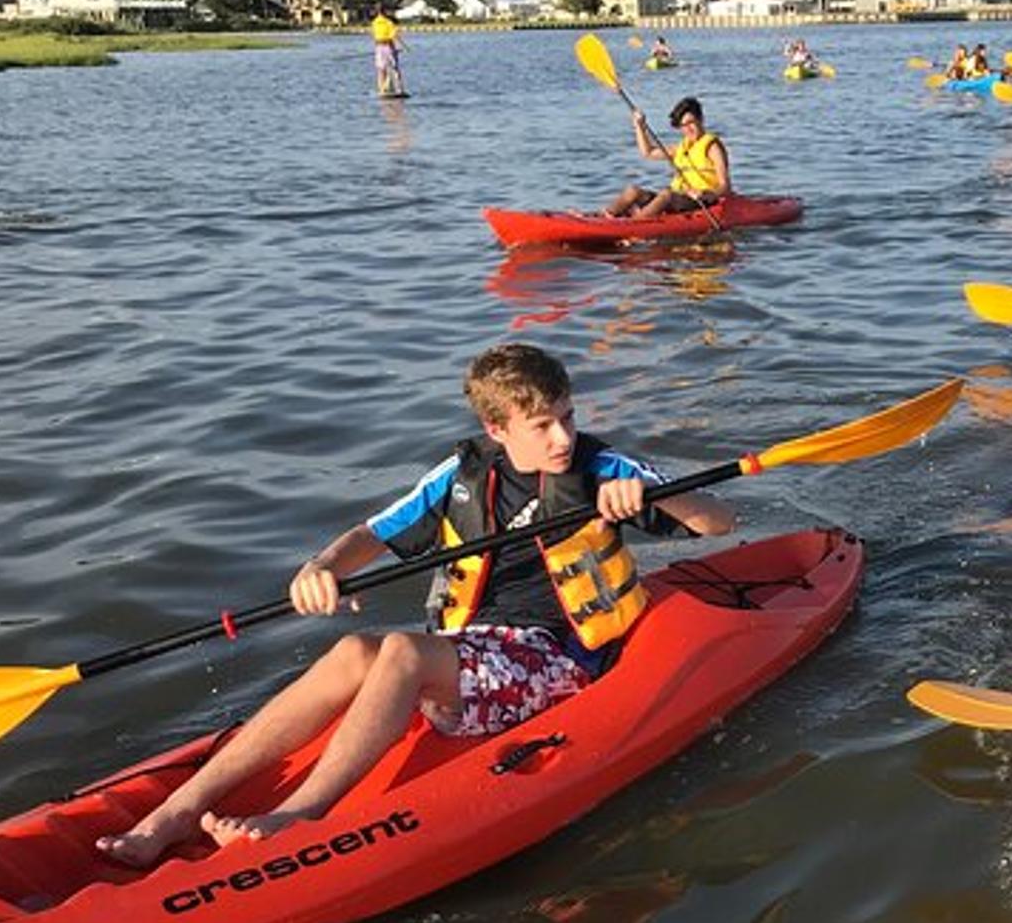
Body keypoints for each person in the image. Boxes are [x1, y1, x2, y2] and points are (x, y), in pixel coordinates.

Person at [95, 344, 736, 866]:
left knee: (399, 648)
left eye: (566, 416)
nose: (562, 436)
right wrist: (320, 569)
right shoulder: (459, 476)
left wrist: (654, 495)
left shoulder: (603, 466)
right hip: (475, 646)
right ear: (496, 429)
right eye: (542, 425)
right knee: (352, 650)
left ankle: (299, 815)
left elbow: (718, 523)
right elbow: (371, 534)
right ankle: (177, 810)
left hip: (559, 659)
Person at [604, 96, 730, 219]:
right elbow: (648, 152)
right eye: (683, 125)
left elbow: (725, 186)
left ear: (701, 119)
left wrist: (707, 194)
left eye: (691, 123)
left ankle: (633, 225)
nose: (688, 129)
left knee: (667, 194)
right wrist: (639, 126)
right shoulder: (680, 148)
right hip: (678, 198)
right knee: (633, 191)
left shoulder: (713, 148)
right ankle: (605, 217)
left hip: (700, 201)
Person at [370, 8, 405, 98]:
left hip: (379, 47)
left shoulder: (374, 23)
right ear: (384, 12)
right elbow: (394, 36)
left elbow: (375, 36)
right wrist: (401, 47)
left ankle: (382, 89)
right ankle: (399, 89)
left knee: (381, 69)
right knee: (394, 68)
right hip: (388, 47)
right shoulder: (388, 22)